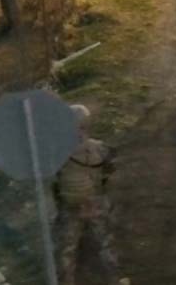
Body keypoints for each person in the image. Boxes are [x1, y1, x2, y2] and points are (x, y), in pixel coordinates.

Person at [55, 104, 121, 285]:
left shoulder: (58, 151)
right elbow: (109, 171)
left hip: (71, 206)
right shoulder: (100, 148)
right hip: (95, 203)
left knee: (66, 250)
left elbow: (55, 178)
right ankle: (115, 279)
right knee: (106, 244)